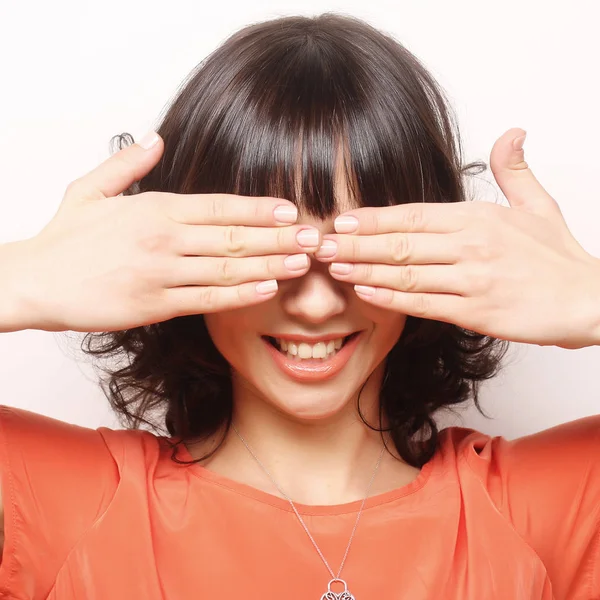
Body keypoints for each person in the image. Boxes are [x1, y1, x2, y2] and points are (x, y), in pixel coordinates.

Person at [0, 12, 598, 600]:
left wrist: (589, 298)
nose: (314, 305)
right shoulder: (63, 506)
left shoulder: (539, 511)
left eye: (355, 252)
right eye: (271, 253)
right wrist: (21, 277)